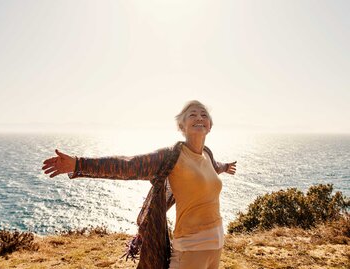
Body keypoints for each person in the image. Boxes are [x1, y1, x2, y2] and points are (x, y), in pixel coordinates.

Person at [42, 100, 237, 269]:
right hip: (190, 246)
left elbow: (214, 167)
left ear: (210, 126)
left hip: (216, 242)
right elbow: (128, 165)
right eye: (192, 114)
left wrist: (226, 166)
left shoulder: (207, 155)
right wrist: (78, 163)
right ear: (181, 126)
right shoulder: (172, 156)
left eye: (204, 115)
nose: (199, 117)